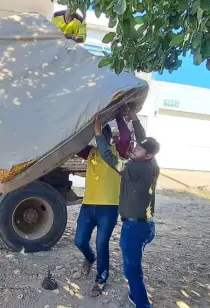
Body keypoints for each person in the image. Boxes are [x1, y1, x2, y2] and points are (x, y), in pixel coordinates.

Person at [94, 110, 160, 308]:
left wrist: (97, 132)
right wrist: (134, 119)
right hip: (147, 226)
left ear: (146, 155)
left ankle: (141, 304)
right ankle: (135, 293)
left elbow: (108, 156)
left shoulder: (133, 169)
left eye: (138, 150)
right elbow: (142, 140)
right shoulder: (152, 162)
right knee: (134, 263)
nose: (134, 149)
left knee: (132, 269)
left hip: (134, 229)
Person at [75, 112, 131, 297]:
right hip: (88, 205)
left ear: (109, 137)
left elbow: (126, 137)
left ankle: (101, 278)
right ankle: (90, 259)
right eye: (97, 135)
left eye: (102, 135)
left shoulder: (118, 152)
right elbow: (74, 144)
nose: (100, 139)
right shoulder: (90, 152)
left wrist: (119, 116)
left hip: (108, 207)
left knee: (102, 242)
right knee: (80, 240)